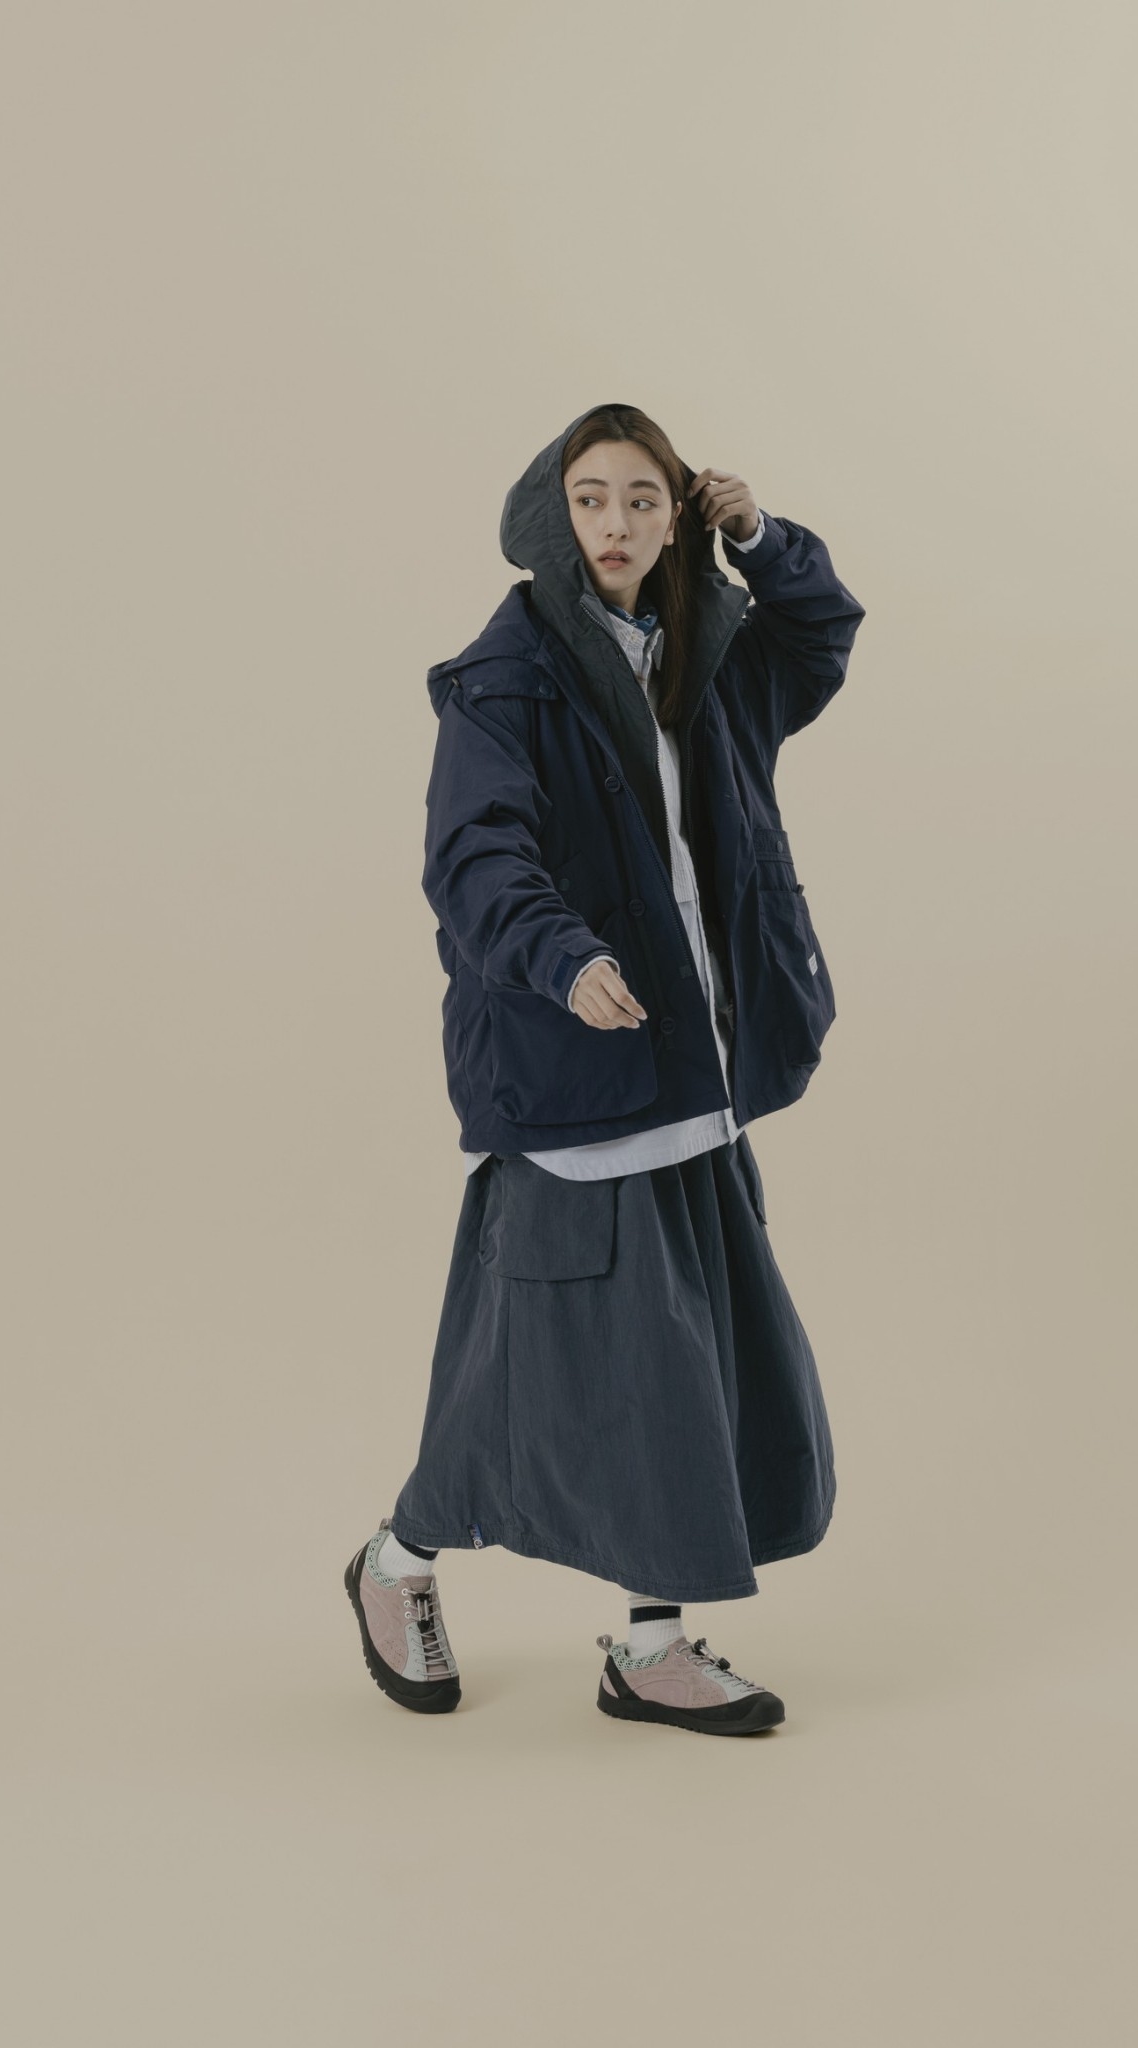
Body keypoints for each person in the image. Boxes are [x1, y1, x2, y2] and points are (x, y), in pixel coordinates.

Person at [344, 401, 866, 1736]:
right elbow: (474, 853)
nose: (615, 524)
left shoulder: (706, 653)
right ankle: (398, 1560)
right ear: (554, 514)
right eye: (590, 499)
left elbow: (820, 638)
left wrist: (765, 540)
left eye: (643, 498)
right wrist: (562, 956)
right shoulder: (507, 674)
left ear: (678, 514)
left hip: (691, 1072)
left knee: (681, 1376)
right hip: (571, 1074)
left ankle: (649, 1646)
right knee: (524, 1373)